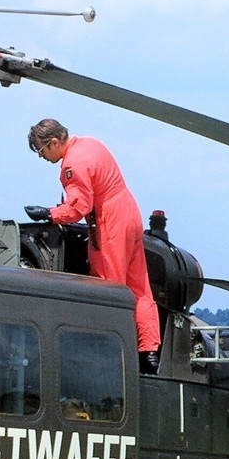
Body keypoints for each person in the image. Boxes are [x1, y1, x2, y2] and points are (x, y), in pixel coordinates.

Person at [24, 118, 162, 373]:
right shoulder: (90, 143)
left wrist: (49, 214)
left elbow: (79, 207)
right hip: (130, 214)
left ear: (54, 142)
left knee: (108, 287)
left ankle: (112, 348)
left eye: (42, 151)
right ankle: (149, 351)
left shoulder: (72, 165)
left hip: (109, 222)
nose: (42, 157)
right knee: (139, 287)